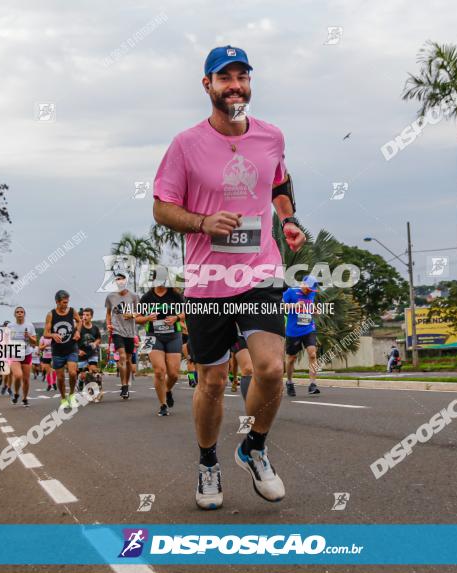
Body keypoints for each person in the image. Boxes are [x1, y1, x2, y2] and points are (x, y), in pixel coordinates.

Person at [152, 45, 306, 509]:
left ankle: (254, 448)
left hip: (259, 271)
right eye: (225, 78)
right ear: (208, 86)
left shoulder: (271, 136)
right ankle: (207, 463)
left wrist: (289, 218)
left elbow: (278, 181)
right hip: (206, 281)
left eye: (242, 76)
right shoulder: (185, 144)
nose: (235, 85)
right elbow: (161, 207)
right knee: (213, 383)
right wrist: (202, 222)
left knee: (271, 368)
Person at [137, 280, 185, 416]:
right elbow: (137, 318)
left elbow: (186, 312)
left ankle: (167, 390)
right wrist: (147, 317)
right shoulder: (147, 297)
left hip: (173, 336)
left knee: (174, 374)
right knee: (159, 371)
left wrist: (176, 317)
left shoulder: (175, 295)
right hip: (153, 336)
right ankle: (163, 404)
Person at [283, 275, 321, 396]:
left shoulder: (311, 293)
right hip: (293, 331)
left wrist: (314, 310)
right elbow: (279, 306)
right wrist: (294, 306)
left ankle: (312, 384)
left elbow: (310, 305)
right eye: (308, 289)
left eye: (311, 290)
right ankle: (289, 382)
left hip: (309, 328)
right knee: (291, 358)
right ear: (303, 284)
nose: (309, 291)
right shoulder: (291, 292)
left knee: (313, 354)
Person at [105, 273, 140, 399]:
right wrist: (108, 325)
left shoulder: (134, 296)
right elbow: (108, 313)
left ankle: (126, 384)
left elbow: (140, 312)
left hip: (130, 332)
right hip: (117, 331)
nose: (119, 282)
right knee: (123, 356)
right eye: (117, 280)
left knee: (129, 360)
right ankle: (124, 386)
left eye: (121, 280)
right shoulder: (110, 297)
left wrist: (131, 315)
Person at [45, 290, 81, 407]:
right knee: (60, 378)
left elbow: (79, 321)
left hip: (71, 347)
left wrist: (77, 332)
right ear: (57, 302)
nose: (66, 305)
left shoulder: (72, 311)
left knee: (72, 373)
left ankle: (72, 394)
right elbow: (46, 333)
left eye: (67, 302)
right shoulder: (51, 314)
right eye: (64, 303)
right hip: (58, 351)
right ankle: (63, 398)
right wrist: (53, 335)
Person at [6, 306, 36, 406]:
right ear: (15, 314)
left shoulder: (29, 326)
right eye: (17, 312)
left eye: (21, 312)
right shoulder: (10, 326)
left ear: (24, 314)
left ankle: (24, 398)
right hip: (14, 354)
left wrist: (28, 336)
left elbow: (35, 341)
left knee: (26, 380)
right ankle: (16, 393)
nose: (19, 313)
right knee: (18, 375)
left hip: (26, 354)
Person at [76, 308, 102, 391]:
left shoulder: (95, 328)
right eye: (84, 315)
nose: (85, 317)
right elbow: (73, 341)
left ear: (91, 317)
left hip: (92, 352)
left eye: (87, 315)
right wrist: (78, 351)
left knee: (92, 369)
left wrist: (95, 343)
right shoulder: (78, 328)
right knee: (83, 375)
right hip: (82, 353)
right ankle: (80, 380)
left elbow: (98, 338)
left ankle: (92, 389)